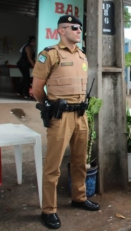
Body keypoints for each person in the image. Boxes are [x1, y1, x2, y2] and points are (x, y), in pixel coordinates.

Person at [31, 15, 100, 229]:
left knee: (80, 161)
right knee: (53, 166)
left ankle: (79, 197)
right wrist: (49, 107)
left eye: (80, 27)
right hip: (60, 117)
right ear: (61, 31)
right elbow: (36, 89)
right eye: (74, 27)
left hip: (80, 115)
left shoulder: (81, 55)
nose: (79, 30)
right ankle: (48, 210)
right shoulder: (49, 55)